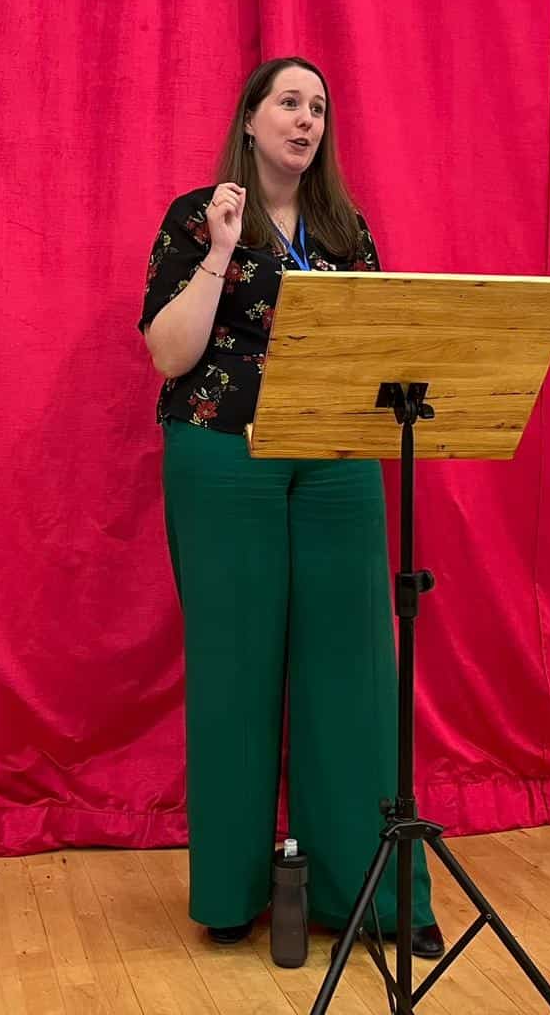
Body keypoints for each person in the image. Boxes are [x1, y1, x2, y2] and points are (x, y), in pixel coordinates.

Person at [137, 57, 442, 958]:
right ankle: (231, 893)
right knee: (234, 669)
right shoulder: (199, 216)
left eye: (317, 107)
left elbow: (384, 343)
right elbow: (169, 353)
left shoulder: (346, 228)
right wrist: (226, 250)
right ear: (252, 119)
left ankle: (376, 898)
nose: (305, 120)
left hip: (339, 457)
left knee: (352, 670)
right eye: (288, 103)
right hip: (223, 453)